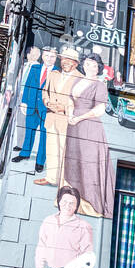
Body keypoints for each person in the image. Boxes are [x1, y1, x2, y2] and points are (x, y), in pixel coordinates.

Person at [61, 53, 114, 217]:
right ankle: (76, 197)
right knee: (74, 159)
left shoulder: (99, 85)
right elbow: (70, 99)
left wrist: (80, 118)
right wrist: (70, 115)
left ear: (98, 68)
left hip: (89, 126)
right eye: (87, 64)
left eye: (93, 65)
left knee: (88, 162)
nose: (89, 67)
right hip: (74, 124)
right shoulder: (78, 80)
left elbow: (100, 109)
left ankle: (93, 201)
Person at [35, 185, 95, 268]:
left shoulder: (83, 226)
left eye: (72, 203)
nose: (67, 205)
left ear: (77, 206)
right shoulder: (49, 221)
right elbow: (41, 249)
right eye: (65, 201)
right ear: (59, 201)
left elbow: (87, 257)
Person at [35, 46, 82, 188]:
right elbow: (45, 91)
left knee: (64, 151)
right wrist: (47, 102)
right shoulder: (54, 74)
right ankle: (51, 178)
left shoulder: (80, 79)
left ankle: (64, 181)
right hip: (51, 117)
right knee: (51, 149)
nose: (65, 62)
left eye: (69, 60)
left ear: (75, 63)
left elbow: (81, 101)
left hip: (66, 120)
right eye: (63, 59)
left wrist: (65, 108)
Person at [14, 45, 52, 171]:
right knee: (29, 131)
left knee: (44, 135)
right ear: (43, 57)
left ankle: (40, 161)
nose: (49, 58)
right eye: (46, 55)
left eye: (52, 56)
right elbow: (28, 85)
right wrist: (24, 101)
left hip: (46, 109)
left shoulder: (56, 72)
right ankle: (24, 153)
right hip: (31, 105)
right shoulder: (35, 68)